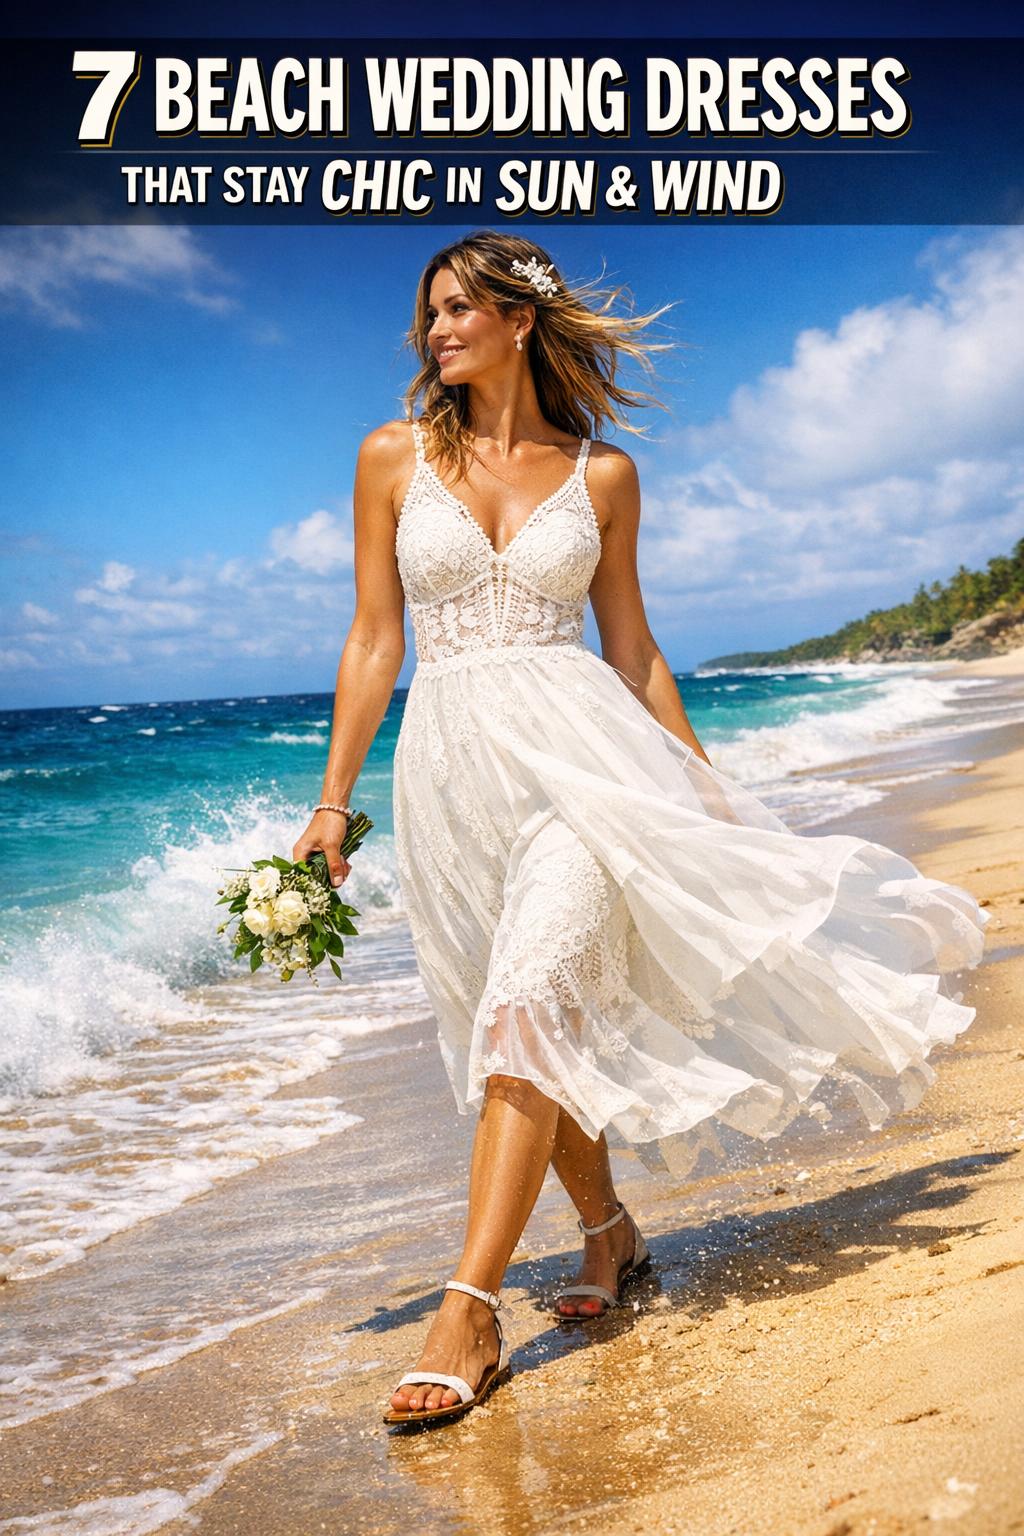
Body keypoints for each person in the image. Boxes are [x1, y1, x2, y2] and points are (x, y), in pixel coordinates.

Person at [292, 229, 989, 1429]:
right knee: (522, 1026)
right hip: (449, 780)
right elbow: (373, 638)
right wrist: (329, 802)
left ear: (520, 319)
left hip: (586, 770)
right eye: (429, 313)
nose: (436, 329)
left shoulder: (600, 475)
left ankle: (468, 1311)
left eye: (459, 308)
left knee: (530, 1001)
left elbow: (634, 649)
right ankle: (608, 1232)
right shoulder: (392, 456)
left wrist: (705, 790)